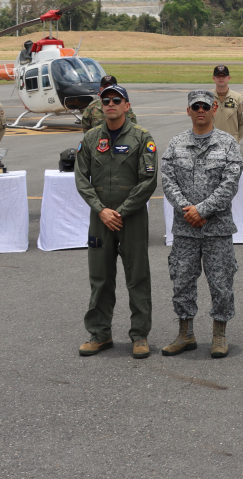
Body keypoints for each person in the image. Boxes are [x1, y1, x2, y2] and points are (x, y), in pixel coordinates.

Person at [75, 84, 160, 359]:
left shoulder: (141, 138)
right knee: (100, 277)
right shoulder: (90, 139)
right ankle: (100, 334)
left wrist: (120, 212)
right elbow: (81, 179)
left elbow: (148, 180)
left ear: (126, 105)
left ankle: (140, 335)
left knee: (137, 278)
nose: (110, 104)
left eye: (116, 100)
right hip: (100, 219)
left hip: (131, 218)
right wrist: (101, 210)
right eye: (106, 100)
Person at [160, 89, 243, 358]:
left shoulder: (228, 144)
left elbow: (230, 183)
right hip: (185, 228)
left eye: (205, 106)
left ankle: (219, 334)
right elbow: (168, 179)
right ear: (188, 111)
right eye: (195, 106)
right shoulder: (176, 144)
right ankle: (186, 333)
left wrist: (202, 210)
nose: (200, 110)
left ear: (214, 109)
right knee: (182, 281)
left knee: (221, 283)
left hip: (217, 228)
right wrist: (188, 210)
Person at [211, 65, 243, 142]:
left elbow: (242, 122)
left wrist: (235, 138)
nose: (221, 78)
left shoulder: (238, 98)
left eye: (224, 76)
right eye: (218, 76)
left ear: (229, 78)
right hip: (212, 142)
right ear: (214, 78)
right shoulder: (208, 98)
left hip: (231, 142)